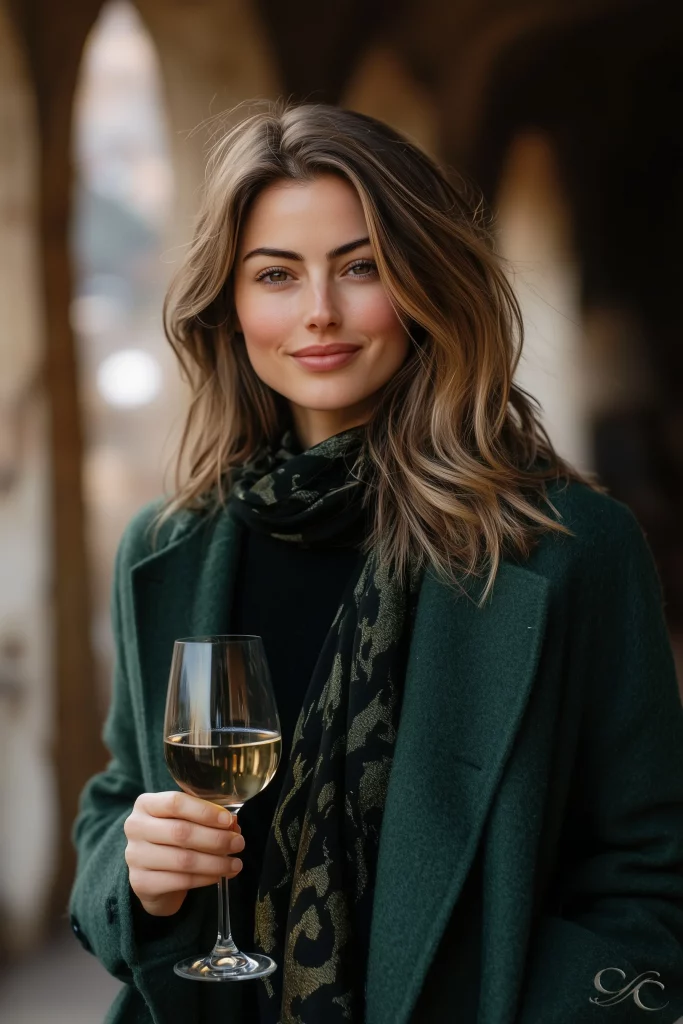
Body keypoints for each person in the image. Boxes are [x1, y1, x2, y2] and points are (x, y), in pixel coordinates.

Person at [69, 100, 683, 1024]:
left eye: (360, 267)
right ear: (230, 306)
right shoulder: (168, 543)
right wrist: (135, 871)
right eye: (275, 274)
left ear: (428, 281)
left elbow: (649, 864)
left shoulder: (567, 547)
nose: (318, 313)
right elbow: (117, 802)